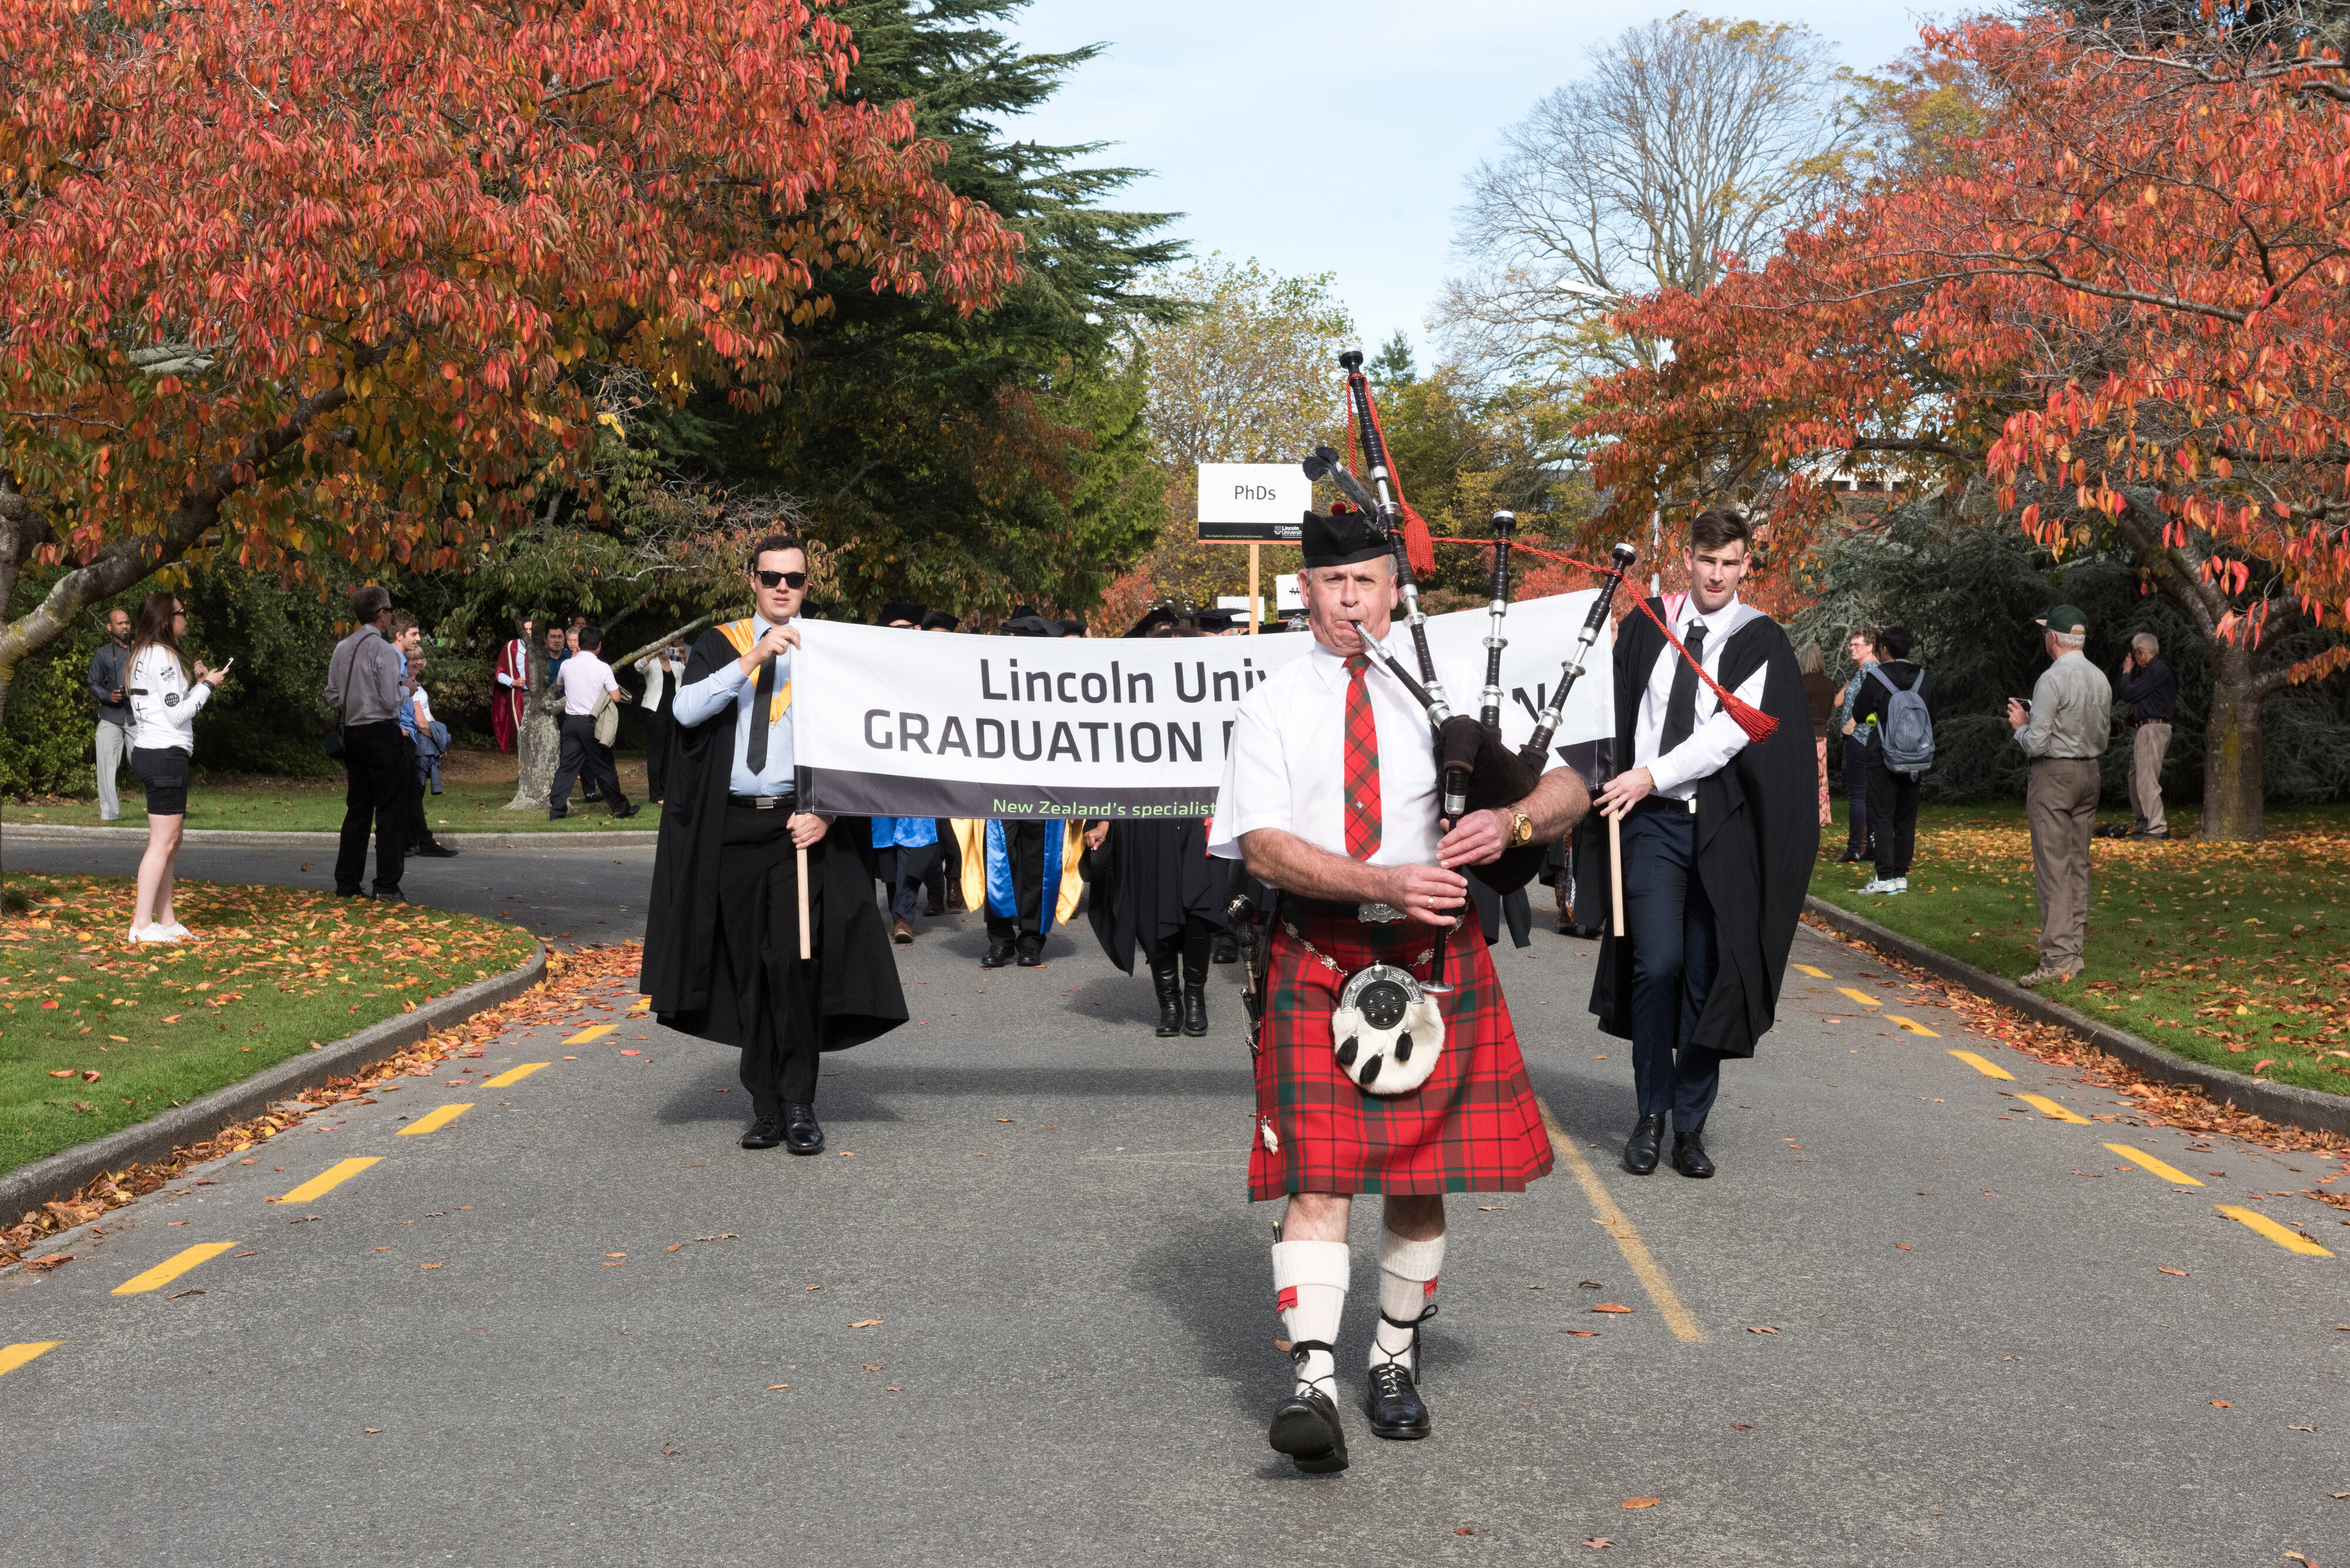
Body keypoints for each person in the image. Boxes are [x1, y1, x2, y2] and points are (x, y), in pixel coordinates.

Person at [1209, 505, 1586, 1475]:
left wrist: (1509, 823)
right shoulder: (1272, 704)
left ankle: (1389, 1354)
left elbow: (1569, 789)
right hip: (1320, 949)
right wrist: (1381, 878)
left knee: (1416, 1176)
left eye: (1367, 582)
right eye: (1332, 584)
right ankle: (1310, 1378)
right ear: (1305, 592)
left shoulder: (1444, 689)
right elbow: (1262, 843)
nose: (1350, 601)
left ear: (1392, 591)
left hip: (1432, 957)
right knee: (1318, 1174)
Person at [642, 534, 908, 1154]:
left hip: (799, 829)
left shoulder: (833, 650)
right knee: (747, 971)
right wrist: (755, 656)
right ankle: (762, 1105)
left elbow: (861, 743)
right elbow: (685, 712)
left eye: (795, 578)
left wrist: (830, 811)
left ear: (808, 585)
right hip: (731, 828)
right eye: (771, 577)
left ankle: (799, 1102)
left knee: (791, 964)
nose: (782, 586)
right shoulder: (722, 643)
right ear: (752, 580)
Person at [1591, 509, 1818, 1183]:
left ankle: (1690, 1125)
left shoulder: (1760, 641)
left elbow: (1730, 734)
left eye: (1730, 562)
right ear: (1686, 558)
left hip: (1723, 828)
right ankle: (1650, 1115)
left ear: (1747, 564)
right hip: (1653, 824)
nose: (1716, 574)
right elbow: (1612, 703)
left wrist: (1649, 771)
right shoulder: (1648, 622)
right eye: (1706, 559)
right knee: (1655, 964)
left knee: (1705, 974)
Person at [2006, 605, 2113, 987]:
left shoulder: (2051, 679)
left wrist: (2020, 727)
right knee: (2078, 863)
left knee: (2052, 866)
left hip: (2054, 776)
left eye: (2044, 633)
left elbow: (2036, 744)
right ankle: (2074, 953)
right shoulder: (2100, 677)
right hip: (2090, 772)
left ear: (2052, 638)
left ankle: (2055, 958)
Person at [122, 592, 227, 941]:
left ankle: (165, 922)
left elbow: (163, 703)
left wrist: (195, 683)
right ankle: (140, 925)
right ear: (168, 619)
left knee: (170, 841)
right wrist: (209, 686)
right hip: (164, 754)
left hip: (154, 752)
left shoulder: (141, 654)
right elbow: (178, 714)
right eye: (183, 612)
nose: (186, 618)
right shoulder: (163, 656)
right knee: (162, 843)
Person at [325, 585, 410, 901]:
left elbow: (332, 694)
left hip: (354, 733)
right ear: (382, 615)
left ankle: (347, 882)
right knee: (390, 809)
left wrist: (355, 699)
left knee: (358, 808)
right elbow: (390, 700)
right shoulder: (385, 651)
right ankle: (386, 884)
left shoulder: (341, 648)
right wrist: (408, 690)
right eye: (388, 610)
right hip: (381, 733)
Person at [1849, 625, 1933, 895]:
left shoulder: (1877, 676)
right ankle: (1900, 876)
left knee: (1883, 816)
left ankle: (1884, 877)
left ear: (1884, 649)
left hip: (1882, 755)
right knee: (1906, 819)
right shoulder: (1923, 678)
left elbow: (1860, 712)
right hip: (1916, 758)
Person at [387, 613, 458, 860]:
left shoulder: (397, 659)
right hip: (403, 734)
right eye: (414, 634)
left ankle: (410, 843)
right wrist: (395, 725)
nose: (419, 639)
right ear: (399, 635)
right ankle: (416, 844)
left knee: (409, 795)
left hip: (408, 736)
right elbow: (385, 694)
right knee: (408, 794)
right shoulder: (393, 658)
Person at [549, 624, 636, 820]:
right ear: (598, 646)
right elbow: (615, 697)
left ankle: (556, 809)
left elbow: (560, 684)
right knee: (605, 766)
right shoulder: (602, 667)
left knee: (567, 767)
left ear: (578, 644)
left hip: (570, 722)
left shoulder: (566, 665)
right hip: (591, 722)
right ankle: (620, 808)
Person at [2116, 632, 2175, 841]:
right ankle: (2144, 822)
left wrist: (2126, 672)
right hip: (2149, 729)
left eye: (2135, 653)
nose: (2134, 658)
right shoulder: (2156, 671)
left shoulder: (2156, 670)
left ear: (2140, 651)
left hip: (2153, 730)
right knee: (2136, 776)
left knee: (2146, 779)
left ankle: (2157, 826)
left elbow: (2129, 693)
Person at [1835, 629, 1879, 863]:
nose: (1852, 648)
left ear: (1870, 646)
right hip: (1861, 740)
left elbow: (1876, 701)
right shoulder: (1863, 670)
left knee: (1858, 795)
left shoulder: (1871, 669)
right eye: (1850, 644)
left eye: (1857, 644)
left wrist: (1852, 724)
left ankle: (1855, 848)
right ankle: (1870, 848)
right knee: (1866, 796)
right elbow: (1838, 701)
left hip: (1861, 739)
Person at [87, 607, 133, 821]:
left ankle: (161, 810)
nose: (125, 626)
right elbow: (93, 683)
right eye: (120, 623)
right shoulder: (102, 654)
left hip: (138, 716)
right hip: (110, 716)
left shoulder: (141, 650)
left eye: (127, 623)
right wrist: (108, 696)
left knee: (147, 760)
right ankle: (109, 814)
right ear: (109, 627)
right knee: (106, 764)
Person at [634, 643, 684, 805]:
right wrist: (653, 653)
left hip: (673, 714)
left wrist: (685, 657)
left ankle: (665, 790)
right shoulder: (652, 664)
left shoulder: (678, 665)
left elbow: (693, 674)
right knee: (657, 753)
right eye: (664, 646)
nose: (667, 650)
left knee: (670, 753)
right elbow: (638, 666)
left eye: (670, 647)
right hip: (655, 713)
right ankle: (656, 794)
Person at [1798, 642, 1835, 829]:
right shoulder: (1828, 684)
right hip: (1822, 734)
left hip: (1804, 734)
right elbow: (1828, 710)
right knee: (1821, 777)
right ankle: (1821, 815)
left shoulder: (1801, 683)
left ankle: (1804, 814)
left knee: (1803, 776)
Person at [491, 617, 532, 754]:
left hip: (536, 695)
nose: (528, 632)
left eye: (531, 629)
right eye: (525, 630)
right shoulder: (511, 647)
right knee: (520, 728)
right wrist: (513, 682)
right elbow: (499, 674)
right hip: (519, 695)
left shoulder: (541, 647)